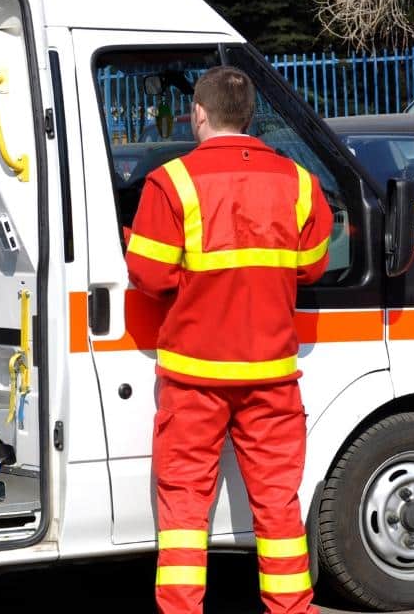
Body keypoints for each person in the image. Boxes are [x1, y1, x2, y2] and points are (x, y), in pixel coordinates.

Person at [124, 65, 333, 614]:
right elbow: (313, 265)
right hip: (270, 374)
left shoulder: (171, 183)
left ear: (199, 114)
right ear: (250, 117)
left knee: (185, 511)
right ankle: (291, 608)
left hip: (195, 377)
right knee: (277, 505)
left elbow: (150, 275)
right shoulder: (298, 182)